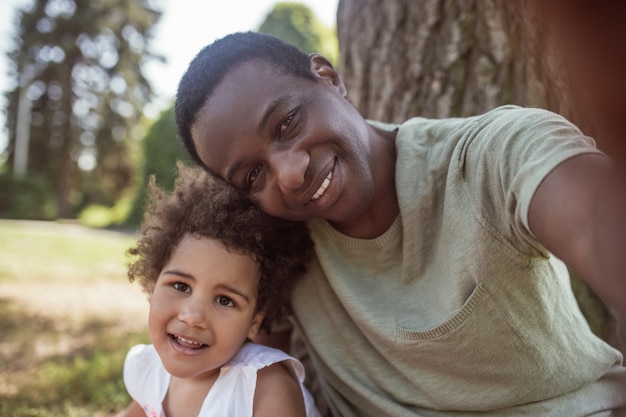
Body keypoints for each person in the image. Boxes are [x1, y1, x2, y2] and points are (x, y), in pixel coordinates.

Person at [173, 31, 626, 416]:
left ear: (328, 78)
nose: (290, 175)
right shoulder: (277, 247)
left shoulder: (489, 156)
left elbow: (595, 223)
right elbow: (252, 374)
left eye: (288, 122)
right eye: (253, 175)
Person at [114, 163, 321, 417]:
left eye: (224, 300)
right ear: (154, 283)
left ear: (254, 321)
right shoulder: (149, 370)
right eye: (181, 286)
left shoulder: (265, 390)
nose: (193, 316)